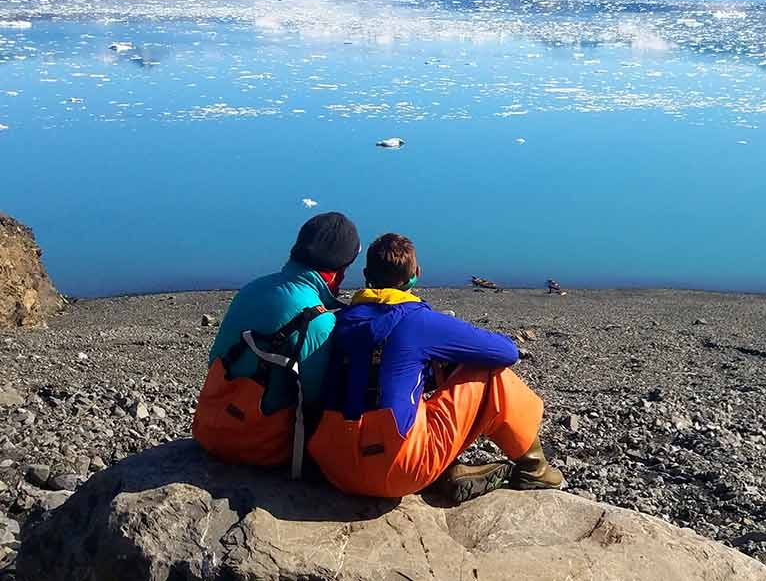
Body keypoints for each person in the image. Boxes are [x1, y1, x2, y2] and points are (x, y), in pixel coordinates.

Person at [309, 233, 563, 501]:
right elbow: (506, 352)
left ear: (365, 274)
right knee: (490, 375)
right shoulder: (418, 321)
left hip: (334, 466)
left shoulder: (338, 321)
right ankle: (534, 468)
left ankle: (447, 469)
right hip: (394, 470)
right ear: (415, 274)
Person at [192, 212, 360, 469]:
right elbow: (317, 400)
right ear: (337, 272)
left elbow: (214, 358)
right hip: (263, 448)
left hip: (210, 428)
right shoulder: (318, 321)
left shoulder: (251, 289)